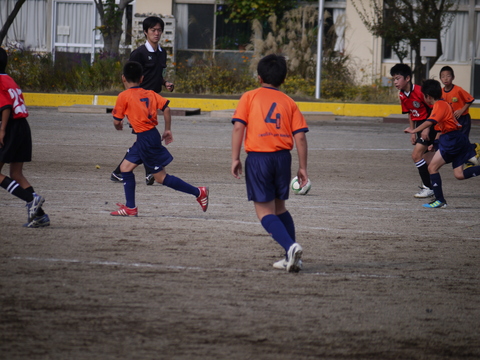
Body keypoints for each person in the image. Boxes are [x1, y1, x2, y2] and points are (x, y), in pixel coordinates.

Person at [231, 54, 308, 273]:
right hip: (283, 157)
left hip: (259, 158)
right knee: (280, 208)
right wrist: (303, 167)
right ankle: (291, 258)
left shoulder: (249, 97)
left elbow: (238, 127)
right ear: (283, 79)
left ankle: (291, 247)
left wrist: (235, 157)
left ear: (259, 77)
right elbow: (300, 137)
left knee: (264, 213)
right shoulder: (289, 102)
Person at [110, 61, 208, 217]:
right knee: (125, 168)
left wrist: (118, 125)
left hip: (146, 140)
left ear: (123, 78)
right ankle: (130, 208)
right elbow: (166, 108)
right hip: (148, 136)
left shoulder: (123, 96)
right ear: (142, 79)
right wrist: (167, 129)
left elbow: (116, 121)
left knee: (161, 178)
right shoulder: (149, 93)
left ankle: (198, 192)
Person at [111, 16, 175, 185]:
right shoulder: (138, 53)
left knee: (144, 139)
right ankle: (145, 171)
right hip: (140, 103)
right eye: (153, 30)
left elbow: (156, 74)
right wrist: (129, 99)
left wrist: (164, 82)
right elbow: (129, 76)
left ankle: (138, 171)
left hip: (153, 100)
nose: (157, 33)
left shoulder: (162, 53)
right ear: (146, 32)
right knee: (144, 138)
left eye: (159, 30)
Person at [404, 79, 480, 208]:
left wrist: (414, 130)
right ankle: (472, 150)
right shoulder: (441, 105)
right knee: (459, 175)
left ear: (428, 96)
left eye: (424, 96)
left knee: (432, 168)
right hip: (453, 139)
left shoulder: (439, 105)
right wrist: (436, 143)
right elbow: (440, 127)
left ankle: (439, 200)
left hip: (452, 140)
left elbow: (430, 122)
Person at [0, 47, 49, 227]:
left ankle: (30, 198)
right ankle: (40, 216)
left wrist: (2, 130)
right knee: (16, 174)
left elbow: (4, 106)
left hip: (11, 127)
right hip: (22, 127)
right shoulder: (9, 79)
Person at [390, 63, 437, 198]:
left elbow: (433, 110)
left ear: (408, 78)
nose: (395, 82)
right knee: (427, 158)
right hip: (420, 126)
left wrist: (427, 128)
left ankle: (428, 187)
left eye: (398, 78)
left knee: (416, 156)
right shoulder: (402, 95)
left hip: (430, 124)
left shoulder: (420, 91)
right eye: (394, 79)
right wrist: (413, 130)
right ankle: (431, 184)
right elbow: (410, 112)